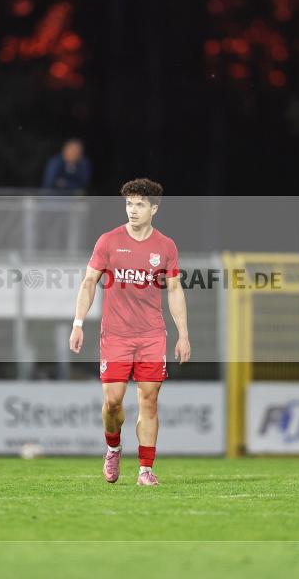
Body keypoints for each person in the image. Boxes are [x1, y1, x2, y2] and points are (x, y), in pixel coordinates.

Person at [69, 178, 190, 486]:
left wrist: (183, 334)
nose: (132, 210)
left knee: (149, 400)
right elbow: (89, 282)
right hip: (116, 335)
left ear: (154, 209)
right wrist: (78, 323)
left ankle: (145, 470)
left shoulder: (166, 246)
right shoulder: (108, 241)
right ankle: (113, 448)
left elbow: (174, 290)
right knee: (113, 402)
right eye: (129, 204)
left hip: (151, 335)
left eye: (139, 204)